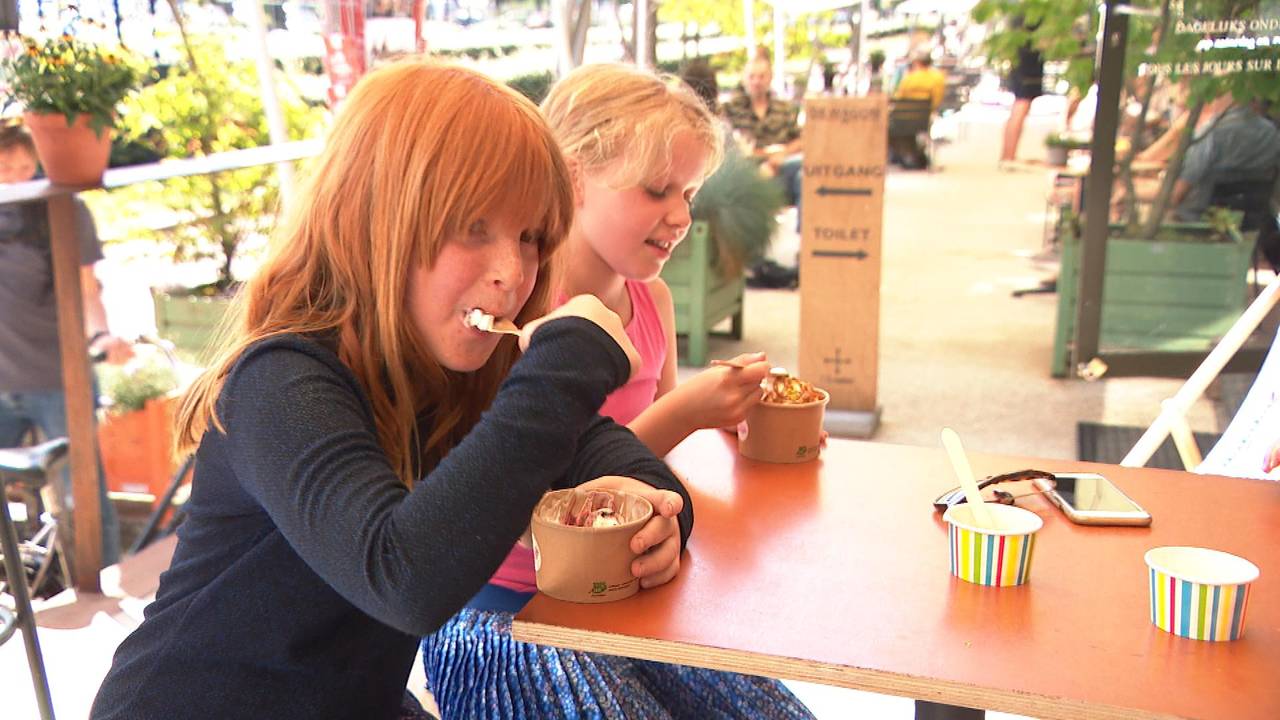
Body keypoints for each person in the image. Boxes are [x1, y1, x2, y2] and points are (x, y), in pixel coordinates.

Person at [90, 60, 694, 720]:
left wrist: (656, 512)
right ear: (377, 219)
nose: (514, 272)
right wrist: (562, 369)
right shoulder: (281, 382)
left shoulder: (453, 381)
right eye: (474, 228)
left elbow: (614, 457)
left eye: (529, 238)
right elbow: (404, 579)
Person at [421, 63, 810, 720]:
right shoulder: (512, 316)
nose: (683, 214)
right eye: (659, 189)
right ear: (571, 177)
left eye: (689, 192)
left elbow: (638, 466)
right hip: (510, 613)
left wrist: (730, 415)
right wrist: (686, 413)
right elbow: (531, 493)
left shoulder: (651, 298)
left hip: (632, 599)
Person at [0, 119, 129, 567]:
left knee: (85, 499)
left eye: (24, 164)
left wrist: (100, 334)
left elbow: (88, 289)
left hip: (57, 375)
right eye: (5, 164)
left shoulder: (62, 209)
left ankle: (106, 587)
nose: (16, 175)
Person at [722, 51, 804, 207]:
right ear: (744, 79)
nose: (756, 82)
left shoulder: (785, 108)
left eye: (761, 76)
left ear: (770, 78)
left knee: (802, 174)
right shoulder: (730, 109)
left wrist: (782, 154)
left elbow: (801, 140)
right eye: (752, 77)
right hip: (746, 170)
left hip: (781, 166)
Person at [891, 51, 946, 168]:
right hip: (923, 120)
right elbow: (937, 100)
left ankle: (907, 156)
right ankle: (914, 156)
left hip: (901, 120)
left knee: (891, 128)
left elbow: (898, 97)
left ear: (917, 63)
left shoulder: (909, 78)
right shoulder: (937, 78)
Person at [999, 22, 1044, 166]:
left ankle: (1008, 154)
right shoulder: (1034, 13)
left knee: (1019, 105)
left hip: (1020, 60)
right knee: (1022, 104)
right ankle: (1009, 155)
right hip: (1029, 61)